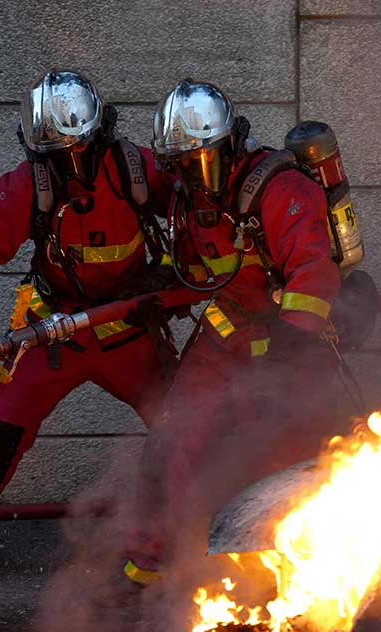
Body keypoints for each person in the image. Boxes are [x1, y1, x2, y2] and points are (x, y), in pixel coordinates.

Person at [0, 70, 177, 576]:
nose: (69, 167)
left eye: (78, 151)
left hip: (131, 335)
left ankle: (163, 550)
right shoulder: (27, 186)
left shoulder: (136, 170)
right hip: (53, 335)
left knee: (185, 429)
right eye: (54, 156)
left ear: (102, 136)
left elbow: (197, 207)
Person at [120, 79, 343, 585]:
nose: (189, 177)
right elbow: (201, 269)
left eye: (197, 162)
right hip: (227, 331)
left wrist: (295, 344)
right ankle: (153, 566)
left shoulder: (282, 188)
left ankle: (291, 567)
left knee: (295, 446)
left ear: (230, 146)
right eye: (178, 165)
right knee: (174, 436)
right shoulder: (187, 198)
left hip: (293, 339)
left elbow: (314, 270)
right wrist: (156, 285)